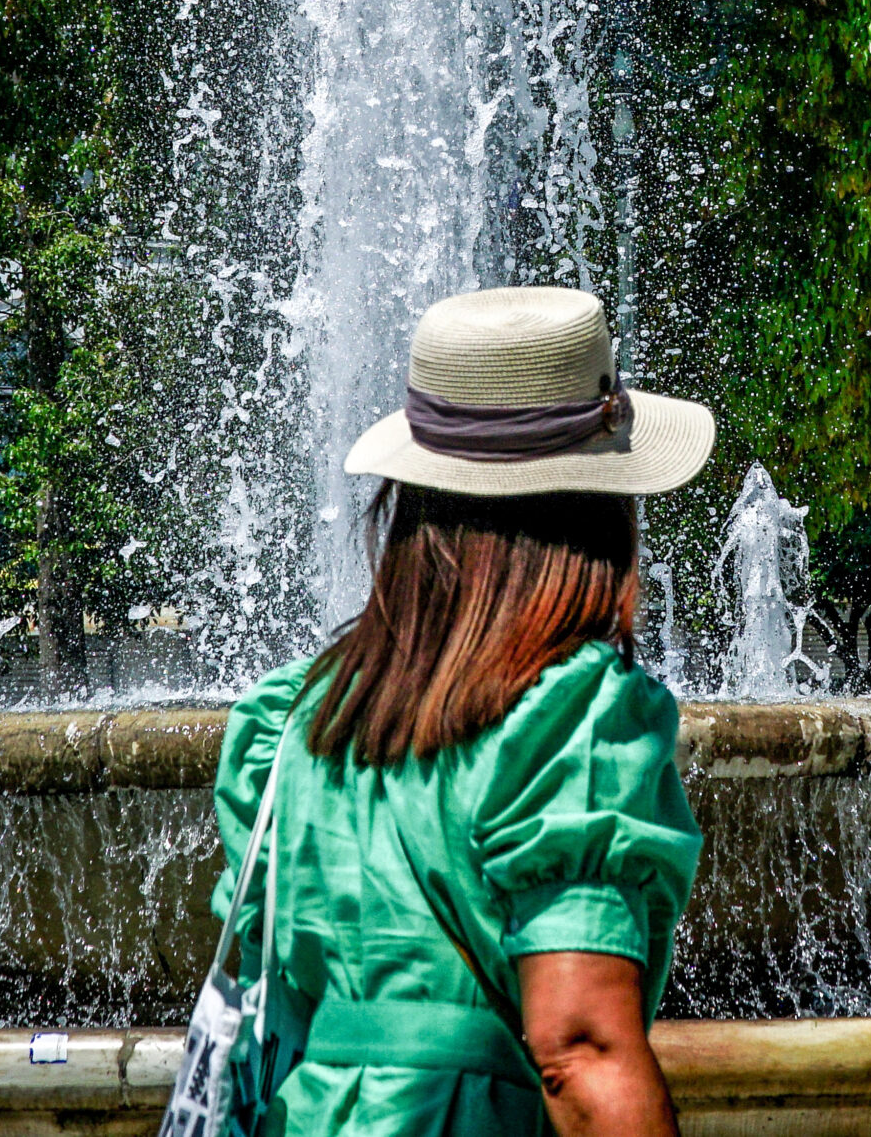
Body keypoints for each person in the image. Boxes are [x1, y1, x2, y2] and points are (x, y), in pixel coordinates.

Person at [212, 286, 712, 1137]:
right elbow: (580, 1051)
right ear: (594, 511)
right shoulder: (569, 719)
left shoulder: (299, 718)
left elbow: (273, 1004)